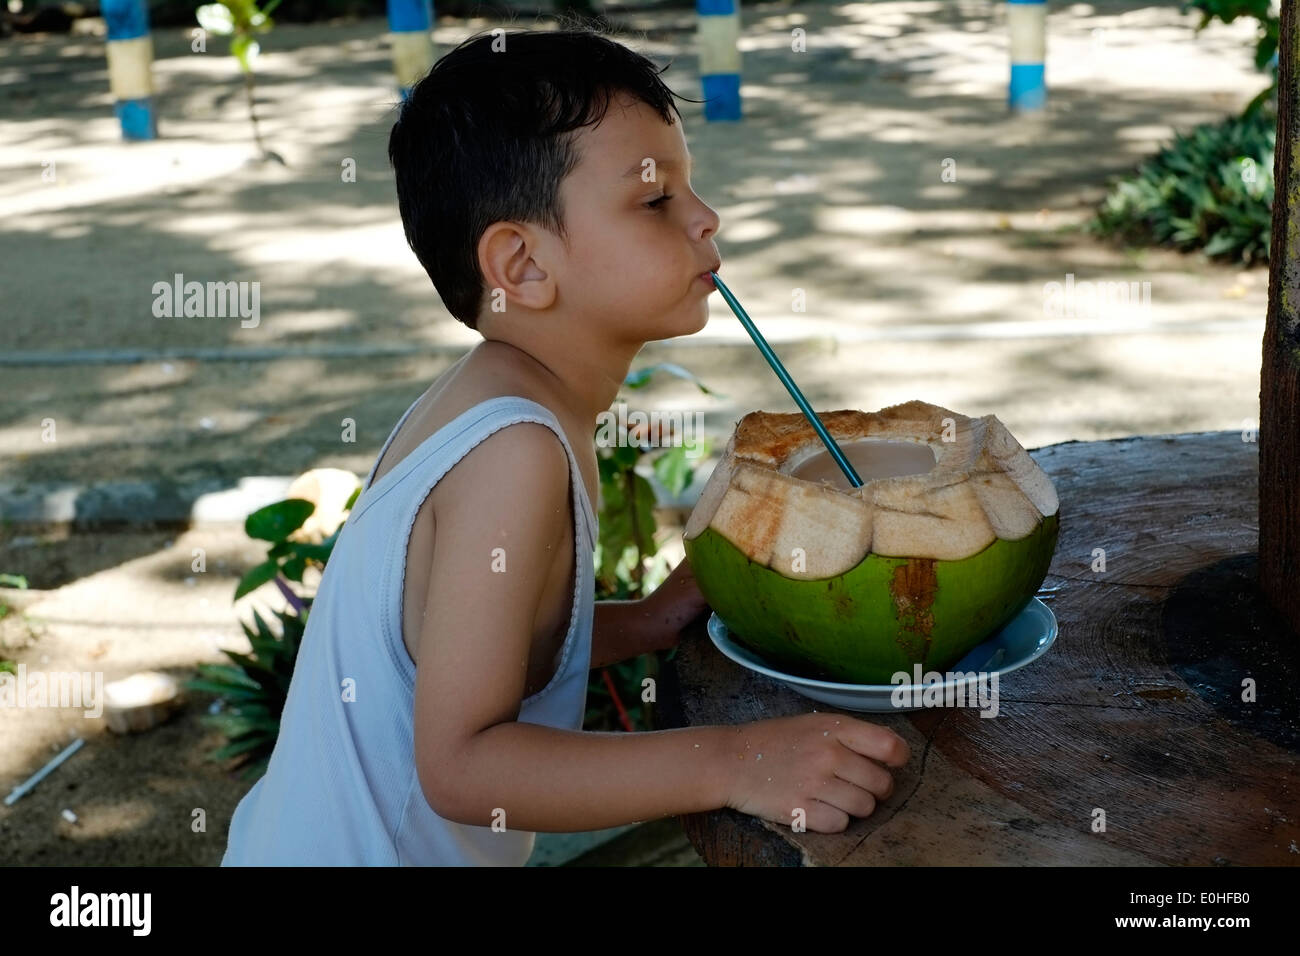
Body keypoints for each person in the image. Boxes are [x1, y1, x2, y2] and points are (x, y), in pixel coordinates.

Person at [221, 25, 909, 866]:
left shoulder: (498, 398)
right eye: (655, 200)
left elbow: (488, 642)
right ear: (523, 265)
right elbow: (463, 767)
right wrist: (741, 760)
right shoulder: (513, 450)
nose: (705, 218)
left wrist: (649, 620)